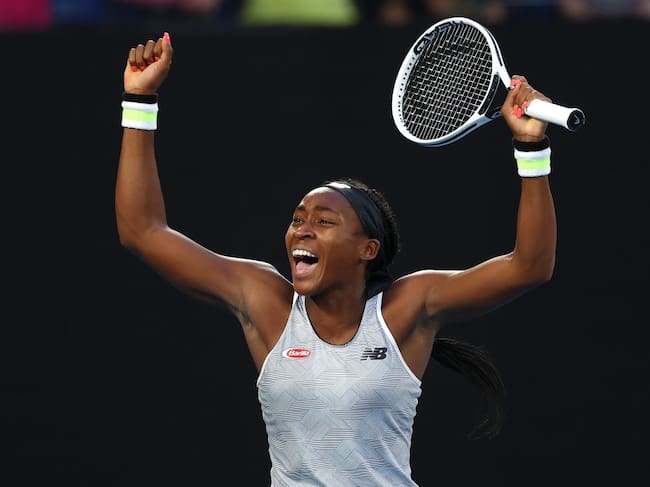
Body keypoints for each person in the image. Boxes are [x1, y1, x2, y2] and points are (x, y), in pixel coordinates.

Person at [116, 32, 557, 486]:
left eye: (324, 221)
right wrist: (139, 100)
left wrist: (530, 148)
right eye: (297, 219)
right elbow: (142, 231)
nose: (302, 229)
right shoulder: (265, 303)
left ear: (367, 249)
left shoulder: (409, 307)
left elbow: (529, 267)